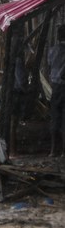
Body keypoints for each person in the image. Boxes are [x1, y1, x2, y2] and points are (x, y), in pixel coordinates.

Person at [47, 25, 65, 157]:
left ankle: (53, 150)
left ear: (58, 36)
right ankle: (63, 151)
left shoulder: (52, 50)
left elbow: (49, 67)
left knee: (55, 117)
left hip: (55, 87)